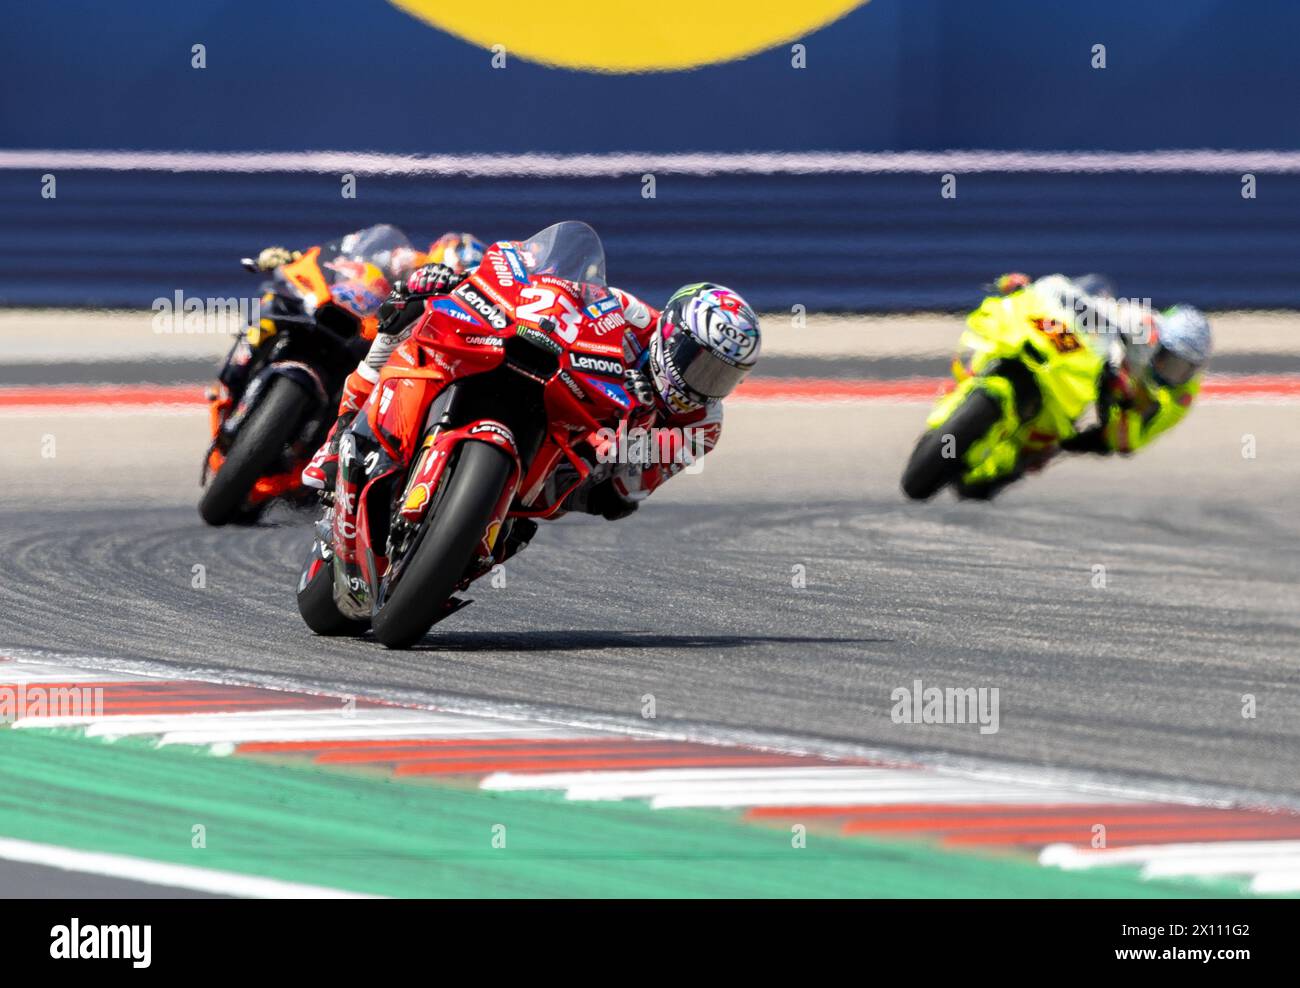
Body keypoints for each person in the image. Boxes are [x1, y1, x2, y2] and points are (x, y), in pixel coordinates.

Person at [956, 273, 1212, 498]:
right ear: (1159, 339)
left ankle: (1019, 458)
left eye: (1184, 368)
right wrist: (1035, 289)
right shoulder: (1142, 322)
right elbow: (1094, 307)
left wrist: (1124, 403)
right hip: (1083, 357)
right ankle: (983, 368)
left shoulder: (1179, 395)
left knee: (1052, 445)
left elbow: (1128, 442)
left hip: (1106, 406)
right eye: (1171, 362)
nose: (1173, 373)